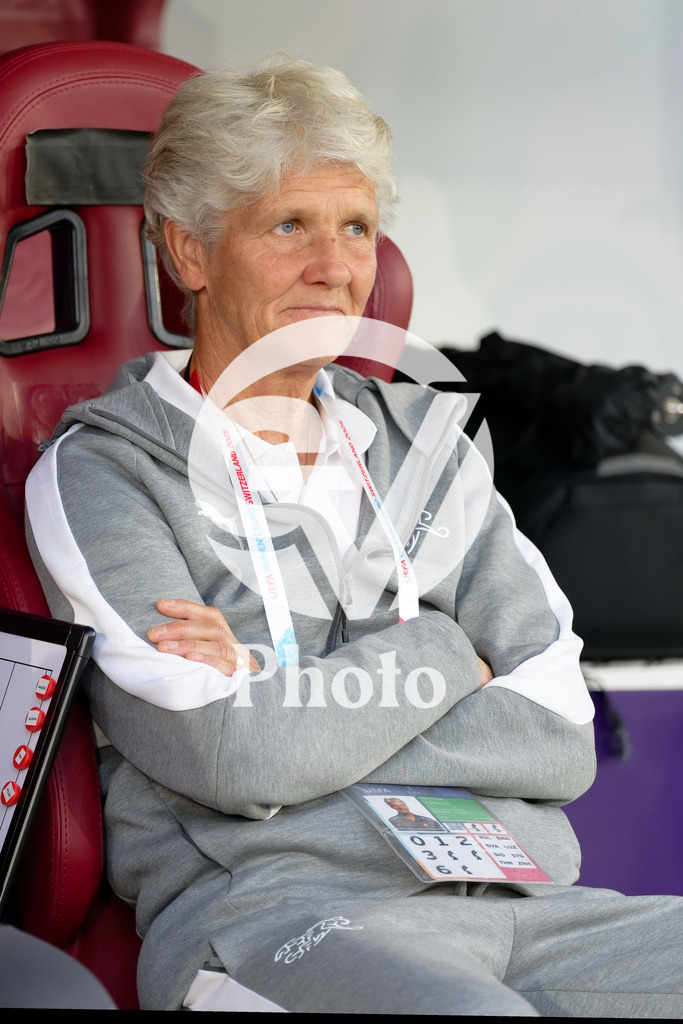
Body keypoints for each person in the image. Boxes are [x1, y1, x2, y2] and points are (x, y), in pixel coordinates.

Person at [24, 54, 682, 1016]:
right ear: (190, 253)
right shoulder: (105, 473)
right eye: (289, 225)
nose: (335, 270)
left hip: (520, 900)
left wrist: (276, 690)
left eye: (358, 228)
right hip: (277, 916)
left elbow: (558, 731)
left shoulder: (431, 448)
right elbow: (233, 756)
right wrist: (452, 652)